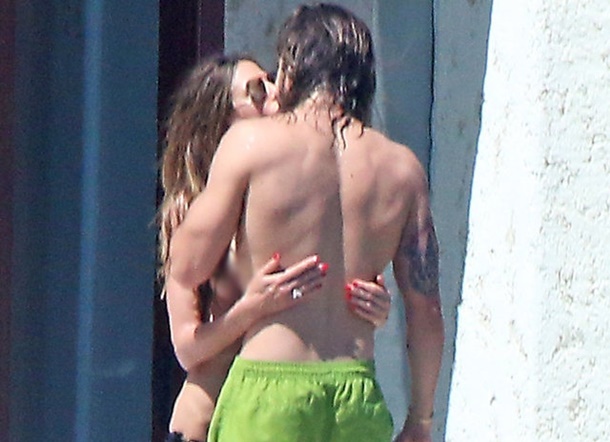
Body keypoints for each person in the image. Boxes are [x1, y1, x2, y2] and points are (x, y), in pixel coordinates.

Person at [169, 4, 444, 441]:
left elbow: (186, 267)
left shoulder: (251, 144)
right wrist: (421, 418)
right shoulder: (402, 169)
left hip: (271, 393)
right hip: (356, 396)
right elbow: (426, 311)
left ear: (291, 69)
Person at [158, 55, 392, 442]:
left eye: (271, 79)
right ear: (220, 118)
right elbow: (187, 348)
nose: (274, 91)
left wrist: (370, 310)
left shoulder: (291, 199)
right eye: (255, 90)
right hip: (206, 422)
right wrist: (251, 308)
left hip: (285, 417)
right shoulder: (191, 212)